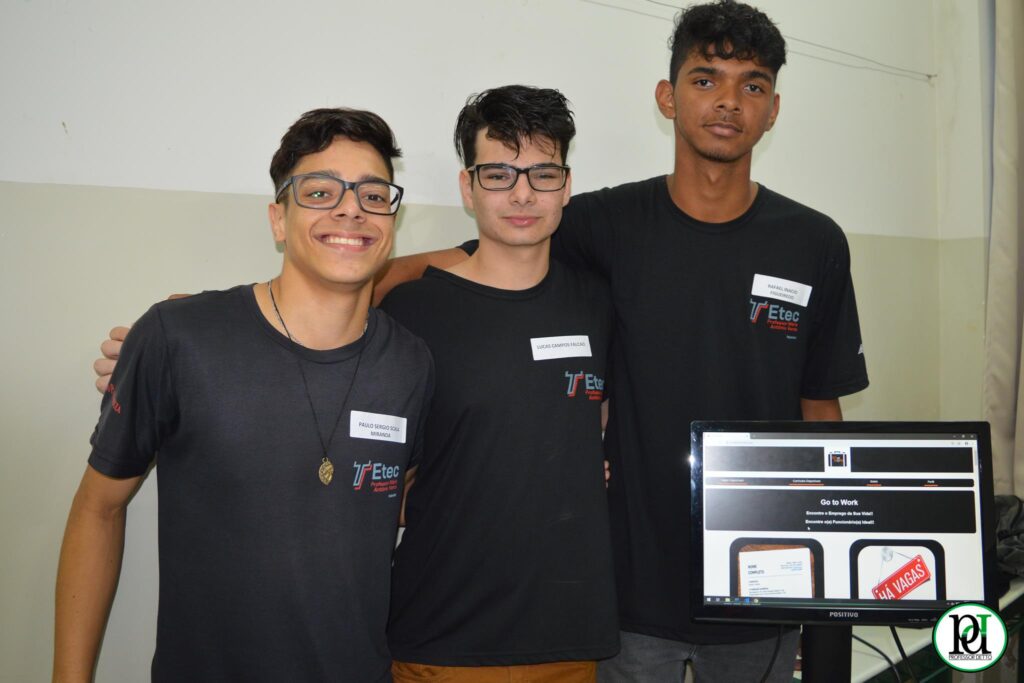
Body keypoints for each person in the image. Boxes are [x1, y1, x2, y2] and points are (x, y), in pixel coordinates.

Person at [373, 2, 869, 680]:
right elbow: (488, 255)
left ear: (774, 108)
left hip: (761, 582)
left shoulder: (814, 242)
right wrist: (330, 289)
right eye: (705, 79)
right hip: (628, 598)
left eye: (751, 84)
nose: (728, 101)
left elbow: (821, 410)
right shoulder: (604, 224)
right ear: (667, 97)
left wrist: (827, 574)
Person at [56, 108, 433, 682]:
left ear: (391, 219)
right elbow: (97, 509)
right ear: (278, 219)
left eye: (374, 195)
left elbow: (393, 503)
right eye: (320, 191)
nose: (351, 208)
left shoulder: (411, 364)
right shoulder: (179, 337)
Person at [381, 85, 618, 682]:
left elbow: (601, 421)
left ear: (566, 186)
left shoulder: (598, 303)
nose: (522, 194)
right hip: (441, 640)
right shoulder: (411, 312)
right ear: (468, 188)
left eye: (543, 174)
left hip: (568, 640)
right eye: (498, 175)